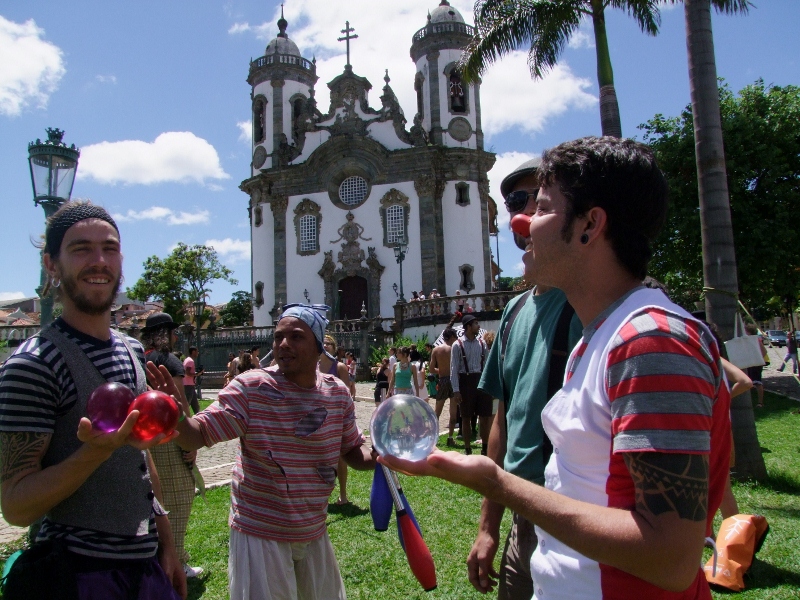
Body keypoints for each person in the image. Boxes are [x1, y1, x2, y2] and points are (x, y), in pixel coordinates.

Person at [382, 137, 732, 600]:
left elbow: (670, 558)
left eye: (543, 208)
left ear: (589, 225)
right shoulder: (600, 337)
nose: (522, 223)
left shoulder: (650, 341)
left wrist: (496, 483)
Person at [0, 201, 186, 599]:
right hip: (76, 576)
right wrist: (95, 452)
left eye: (109, 248)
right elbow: (16, 506)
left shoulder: (130, 350)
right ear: (51, 264)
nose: (99, 260)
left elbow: (140, 459)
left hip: (144, 567)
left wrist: (167, 543)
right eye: (81, 248)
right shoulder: (33, 364)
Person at [161, 303, 376, 599]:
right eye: (278, 337)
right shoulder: (252, 388)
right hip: (260, 532)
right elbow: (195, 435)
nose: (283, 344)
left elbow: (352, 450)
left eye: (296, 336)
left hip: (313, 528)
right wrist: (174, 415)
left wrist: (380, 455)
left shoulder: (336, 393)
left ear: (319, 347)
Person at [468, 156, 584, 599]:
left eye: (538, 200)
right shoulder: (515, 311)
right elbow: (504, 423)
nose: (524, 215)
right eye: (516, 202)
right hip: (524, 517)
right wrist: (488, 526)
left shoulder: (593, 307)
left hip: (580, 514)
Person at [141, 313, 203, 579]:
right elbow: (178, 403)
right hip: (169, 436)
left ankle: (155, 558)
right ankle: (176, 559)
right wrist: (190, 440)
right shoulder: (169, 361)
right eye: (173, 332)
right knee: (178, 498)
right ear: (164, 334)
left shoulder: (137, 357)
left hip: (143, 438)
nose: (176, 336)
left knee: (153, 500)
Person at [450, 315, 493, 455]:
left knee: (485, 416)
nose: (478, 326)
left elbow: (487, 365)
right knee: (466, 417)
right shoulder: (457, 345)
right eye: (475, 323)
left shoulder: (482, 343)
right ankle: (467, 448)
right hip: (466, 381)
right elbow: (454, 369)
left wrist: (490, 385)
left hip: (481, 380)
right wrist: (456, 390)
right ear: (468, 326)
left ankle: (485, 448)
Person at [320, 336, 353, 506]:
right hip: (318, 417)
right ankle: (320, 496)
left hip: (335, 417)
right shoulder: (313, 366)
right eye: (323, 343)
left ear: (334, 348)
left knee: (340, 457)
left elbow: (346, 393)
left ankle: (343, 494)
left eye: (329, 343)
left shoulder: (339, 367)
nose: (325, 345)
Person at [430, 329, 456, 444]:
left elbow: (431, 369)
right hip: (454, 379)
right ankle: (450, 437)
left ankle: (433, 437)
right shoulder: (454, 348)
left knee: (437, 411)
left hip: (442, 379)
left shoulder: (436, 350)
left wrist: (441, 370)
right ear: (452, 337)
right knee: (453, 411)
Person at [745, 323, 768, 407]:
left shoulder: (756, 339)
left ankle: (760, 402)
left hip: (756, 364)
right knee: (749, 381)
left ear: (749, 331)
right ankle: (749, 401)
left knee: (757, 382)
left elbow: (764, 351)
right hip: (749, 363)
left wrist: (758, 359)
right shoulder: (747, 340)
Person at [183, 346, 202, 414]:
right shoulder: (190, 361)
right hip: (188, 385)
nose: (198, 353)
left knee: (195, 406)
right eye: (197, 351)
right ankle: (182, 417)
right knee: (186, 404)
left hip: (189, 384)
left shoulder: (187, 360)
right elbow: (187, 373)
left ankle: (198, 416)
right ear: (193, 352)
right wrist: (197, 374)